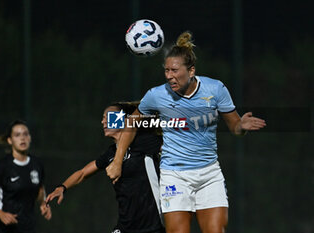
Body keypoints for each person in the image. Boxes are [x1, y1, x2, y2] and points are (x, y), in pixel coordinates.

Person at [106, 32, 266, 233]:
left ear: (191, 71)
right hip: (175, 176)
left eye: (174, 70)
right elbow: (132, 122)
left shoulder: (215, 89)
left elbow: (235, 128)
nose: (169, 76)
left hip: (209, 174)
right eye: (166, 71)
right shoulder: (156, 95)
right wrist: (118, 160)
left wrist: (241, 126)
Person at [45, 102, 165, 233]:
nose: (103, 122)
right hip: (125, 227)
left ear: (123, 119)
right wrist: (62, 187)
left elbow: (175, 145)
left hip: (151, 227)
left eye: (107, 117)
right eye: (102, 118)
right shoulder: (110, 153)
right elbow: (82, 173)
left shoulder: (144, 141)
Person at [0, 119, 52, 233]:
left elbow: (39, 189)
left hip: (27, 226)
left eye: (25, 134)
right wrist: (1, 214)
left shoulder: (37, 164)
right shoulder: (2, 166)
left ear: (30, 137)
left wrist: (43, 203)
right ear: (10, 140)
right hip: (3, 228)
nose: (22, 138)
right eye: (17, 135)